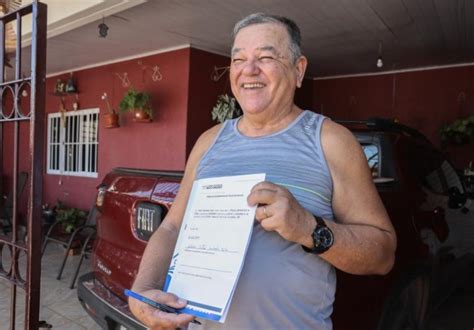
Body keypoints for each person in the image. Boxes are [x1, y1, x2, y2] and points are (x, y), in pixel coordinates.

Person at [129, 13, 397, 329]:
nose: (248, 69)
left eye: (266, 57)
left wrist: (308, 228)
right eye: (238, 59)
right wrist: (143, 289)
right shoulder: (208, 142)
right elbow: (172, 227)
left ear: (299, 71)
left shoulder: (331, 140)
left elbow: (383, 254)